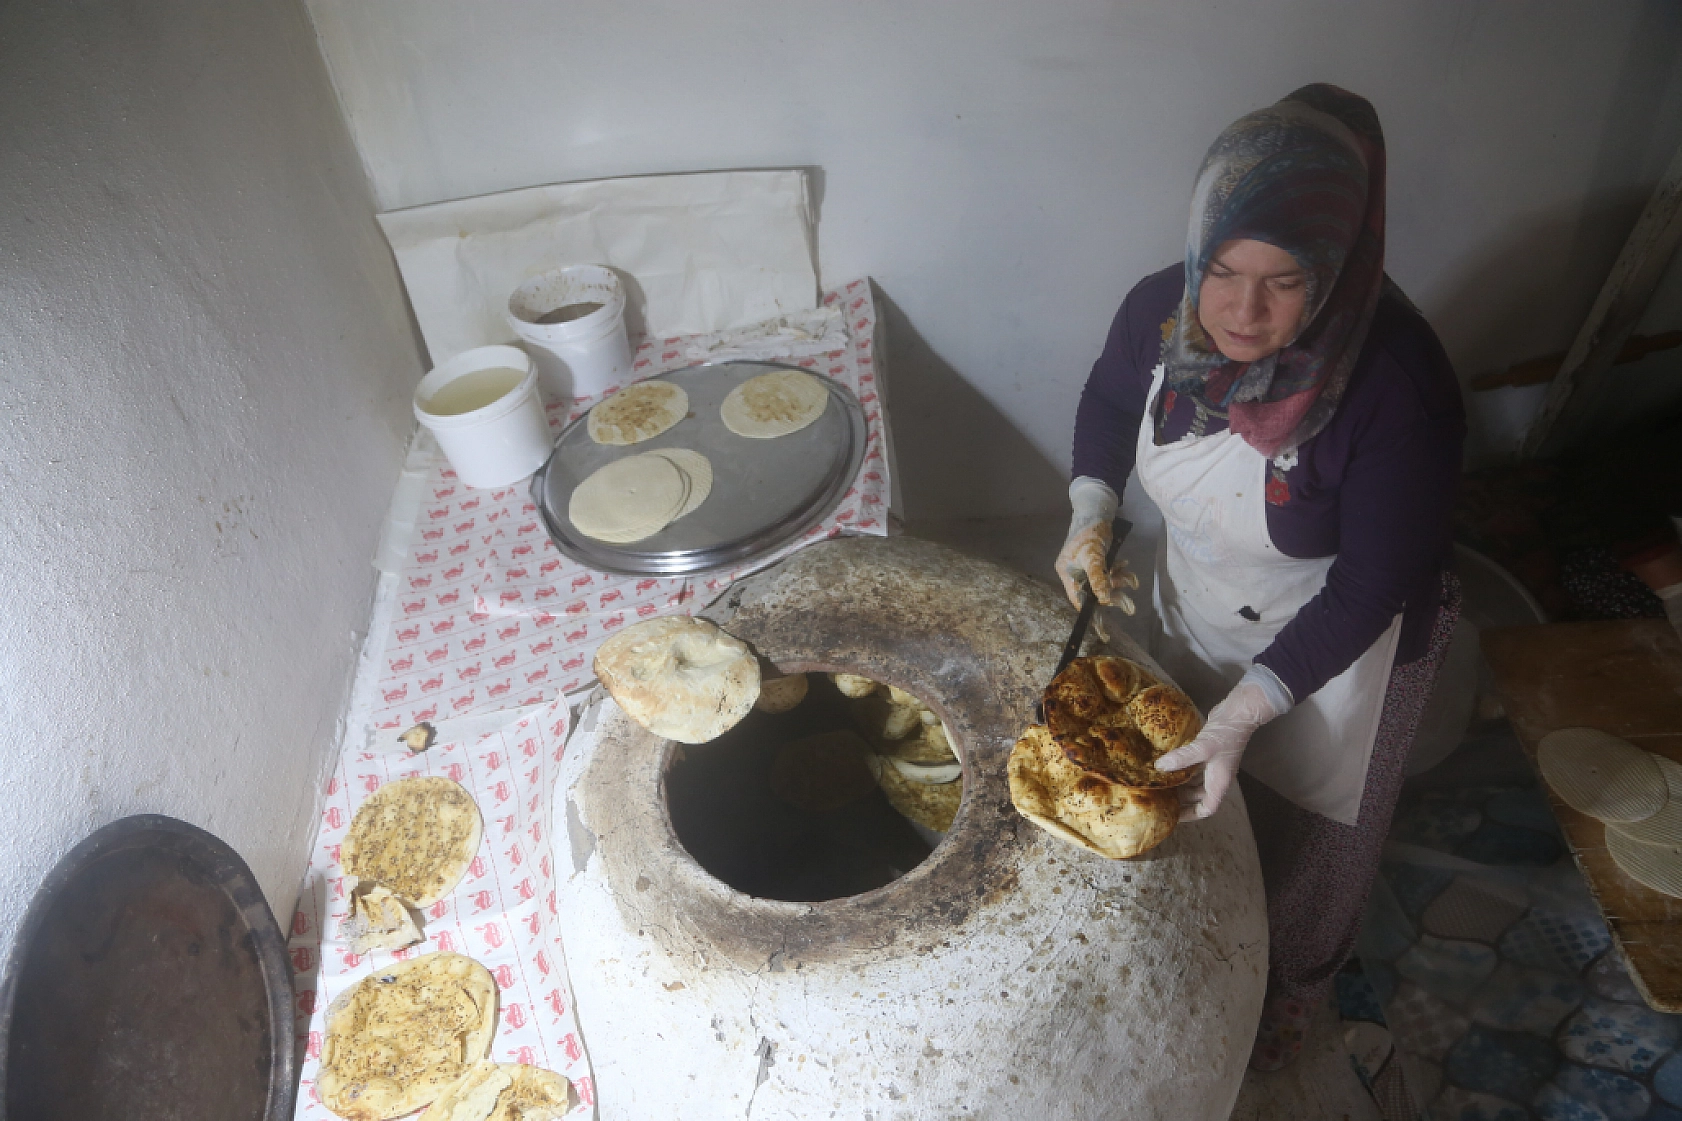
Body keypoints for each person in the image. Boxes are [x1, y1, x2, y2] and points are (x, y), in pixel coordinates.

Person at [1056, 83, 1465, 1071]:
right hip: (1194, 592)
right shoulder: (1162, 307)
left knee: (1307, 848)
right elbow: (1110, 398)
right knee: (1185, 798)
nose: (1240, 312)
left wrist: (1248, 708)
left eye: (1282, 280)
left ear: (1337, 266)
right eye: (1223, 270)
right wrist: (1089, 511)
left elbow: (1372, 581)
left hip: (1334, 647)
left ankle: (1288, 1003)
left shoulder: (1393, 389)